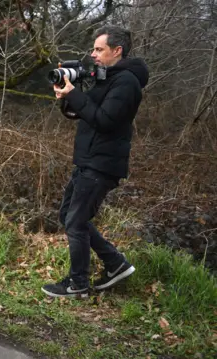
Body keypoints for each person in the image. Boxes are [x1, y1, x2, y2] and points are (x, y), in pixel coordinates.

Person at [41, 25, 149, 297]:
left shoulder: (126, 82)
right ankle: (115, 263)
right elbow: (83, 111)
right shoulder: (107, 78)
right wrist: (67, 94)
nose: (93, 55)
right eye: (93, 49)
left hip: (102, 163)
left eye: (99, 49)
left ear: (117, 50)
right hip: (89, 159)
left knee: (76, 222)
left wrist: (75, 96)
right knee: (69, 215)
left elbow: (105, 120)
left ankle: (78, 283)